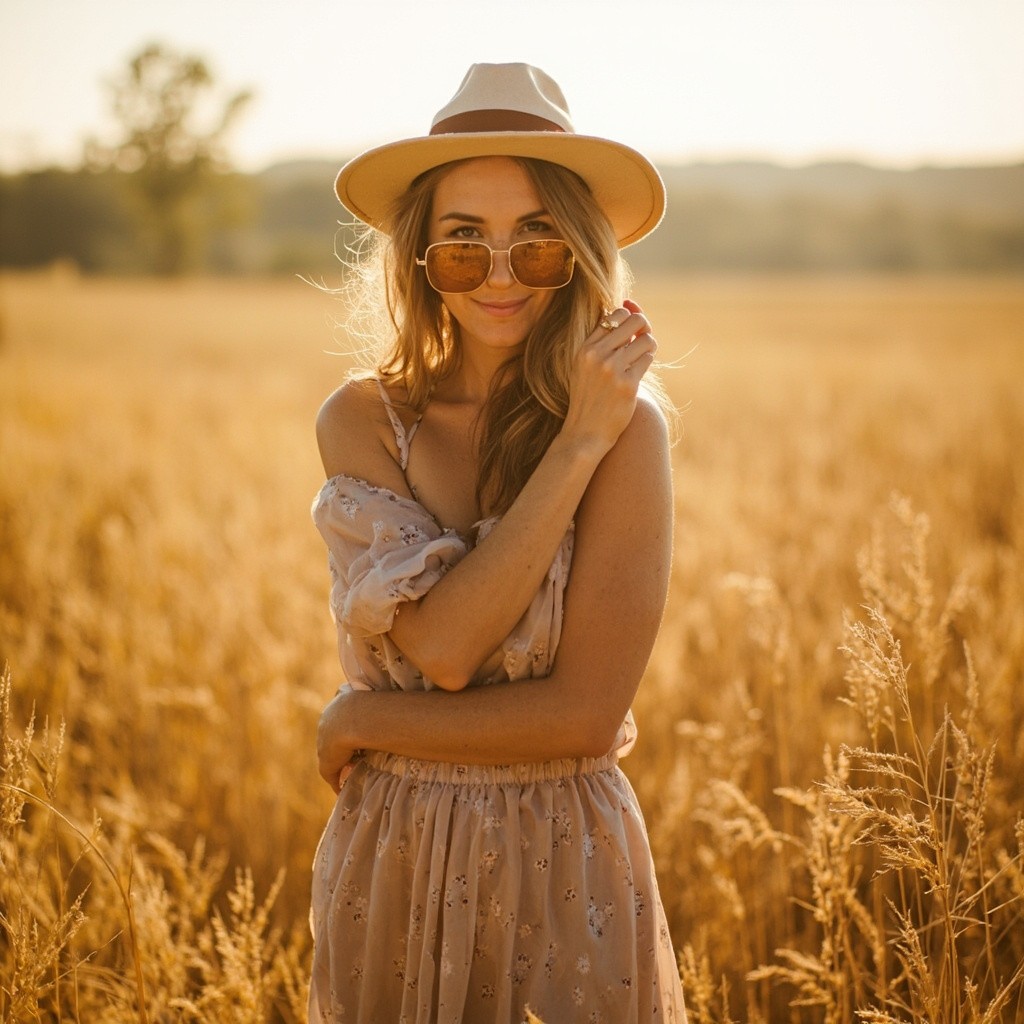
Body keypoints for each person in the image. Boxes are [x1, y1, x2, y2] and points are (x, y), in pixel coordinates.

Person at [309, 62, 687, 1024]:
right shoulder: (364, 421)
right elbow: (444, 648)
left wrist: (363, 722)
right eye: (465, 244)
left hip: (566, 857)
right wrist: (578, 449)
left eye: (539, 242)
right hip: (391, 856)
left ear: (581, 253)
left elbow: (583, 719)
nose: (504, 275)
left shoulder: (628, 432)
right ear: (422, 260)